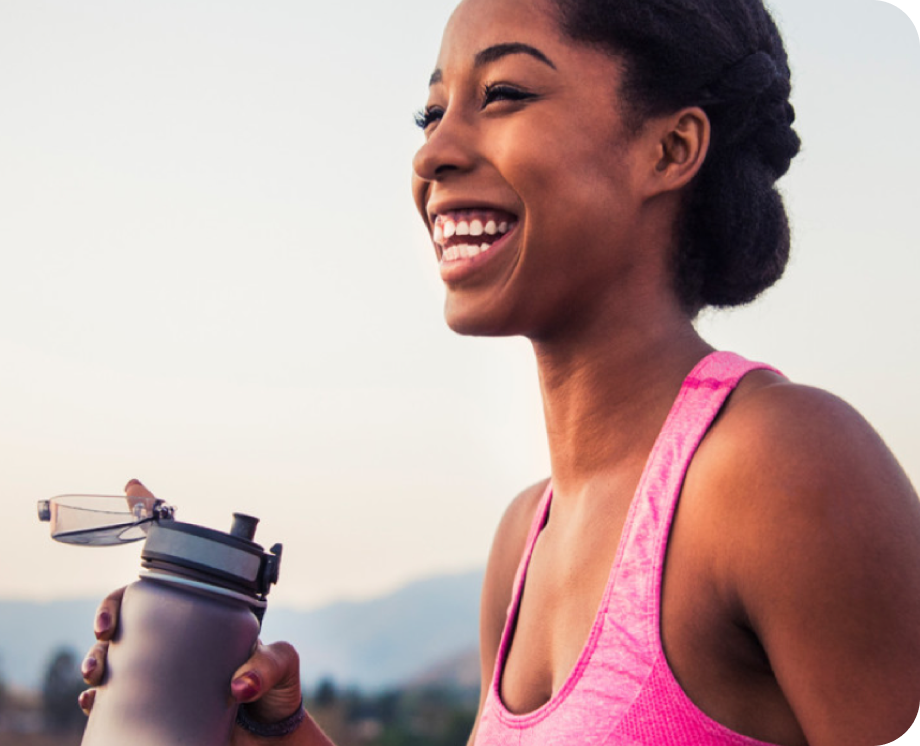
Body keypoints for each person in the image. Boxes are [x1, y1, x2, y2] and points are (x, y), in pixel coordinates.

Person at [80, 0, 920, 743]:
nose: (433, 153)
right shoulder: (526, 539)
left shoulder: (781, 466)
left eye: (504, 94)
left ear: (670, 148)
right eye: (430, 110)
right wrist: (275, 732)